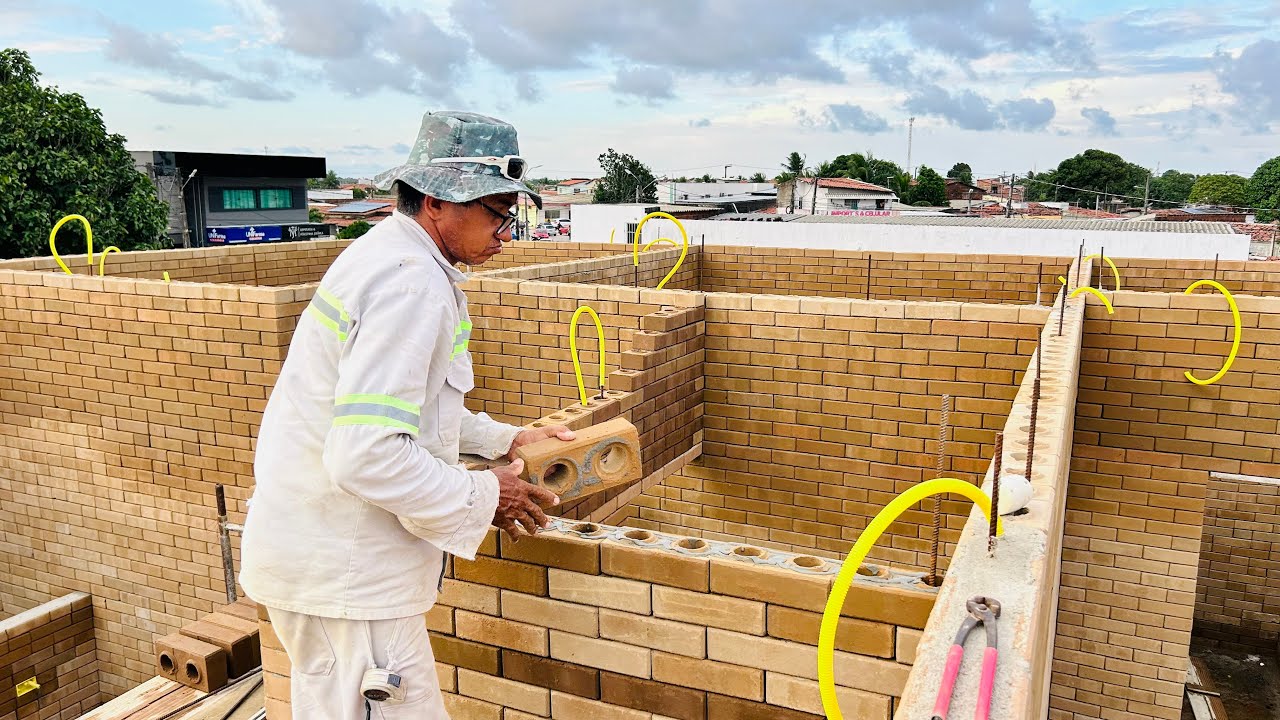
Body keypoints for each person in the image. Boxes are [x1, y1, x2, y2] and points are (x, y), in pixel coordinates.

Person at [239, 110, 574, 719]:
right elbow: (365, 454)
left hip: (332, 567)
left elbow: (413, 414)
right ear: (438, 201)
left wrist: (510, 437)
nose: (508, 231)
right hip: (347, 575)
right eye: (497, 211)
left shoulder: (394, 259)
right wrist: (483, 494)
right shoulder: (409, 284)